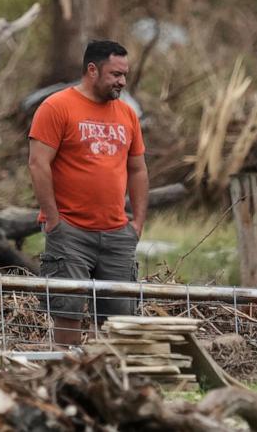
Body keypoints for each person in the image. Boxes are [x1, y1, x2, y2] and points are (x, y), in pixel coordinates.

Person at [28, 39, 149, 344]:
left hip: (117, 233)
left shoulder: (127, 114)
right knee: (67, 312)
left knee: (119, 322)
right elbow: (38, 164)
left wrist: (137, 223)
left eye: (124, 75)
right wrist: (53, 219)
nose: (122, 82)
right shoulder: (56, 107)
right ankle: (65, 367)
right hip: (70, 232)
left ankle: (106, 371)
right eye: (115, 74)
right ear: (92, 70)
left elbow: (138, 169)